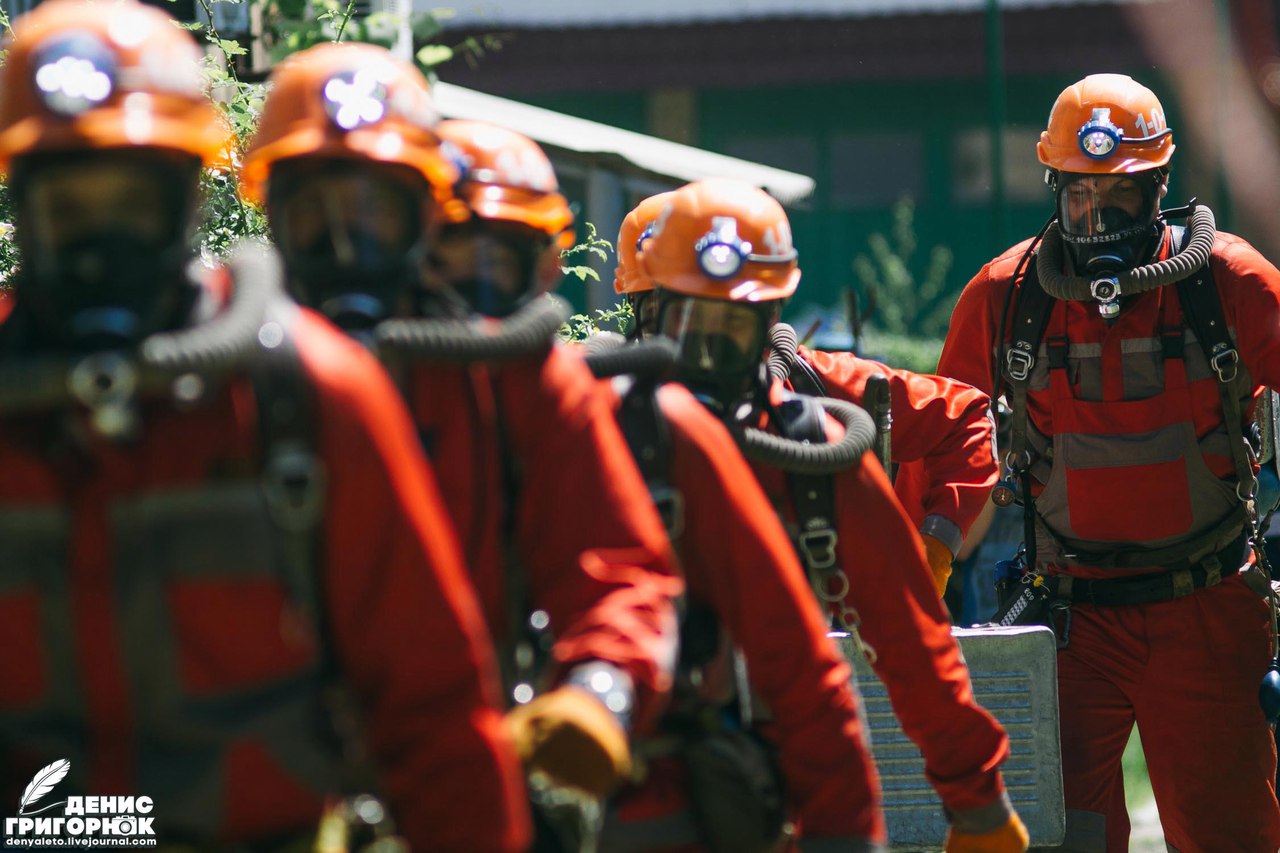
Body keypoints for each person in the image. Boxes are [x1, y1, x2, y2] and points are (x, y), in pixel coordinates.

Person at [0, 3, 530, 850]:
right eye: (71, 211)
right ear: (24, 210)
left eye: (128, 206)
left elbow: (433, 711)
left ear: (184, 200)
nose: (100, 250)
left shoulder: (309, 393)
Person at [243, 72, 682, 827]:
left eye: (376, 211)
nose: (346, 245)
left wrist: (598, 690)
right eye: (314, 212)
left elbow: (614, 565)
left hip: (466, 768)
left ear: (427, 217)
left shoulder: (515, 380)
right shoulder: (210, 377)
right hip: (254, 790)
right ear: (273, 216)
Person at [937, 72, 1280, 850]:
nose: (1099, 217)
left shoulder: (1228, 281)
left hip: (1208, 603)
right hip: (1067, 623)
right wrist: (919, 574)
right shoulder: (1005, 294)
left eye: (1121, 196)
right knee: (1062, 838)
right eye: (1082, 195)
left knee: (1232, 837)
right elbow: (948, 448)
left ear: (1159, 187)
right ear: (1053, 185)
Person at [641, 177, 1028, 853]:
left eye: (732, 328)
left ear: (769, 320)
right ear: (645, 314)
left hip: (806, 779)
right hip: (637, 769)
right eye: (686, 326)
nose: (706, 355)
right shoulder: (590, 432)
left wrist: (977, 796)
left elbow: (912, 641)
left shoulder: (815, 446)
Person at [615, 193, 997, 597]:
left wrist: (933, 550)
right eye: (670, 311)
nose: (698, 335)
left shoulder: (816, 393)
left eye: (724, 314)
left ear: (768, 311)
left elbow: (968, 417)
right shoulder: (599, 409)